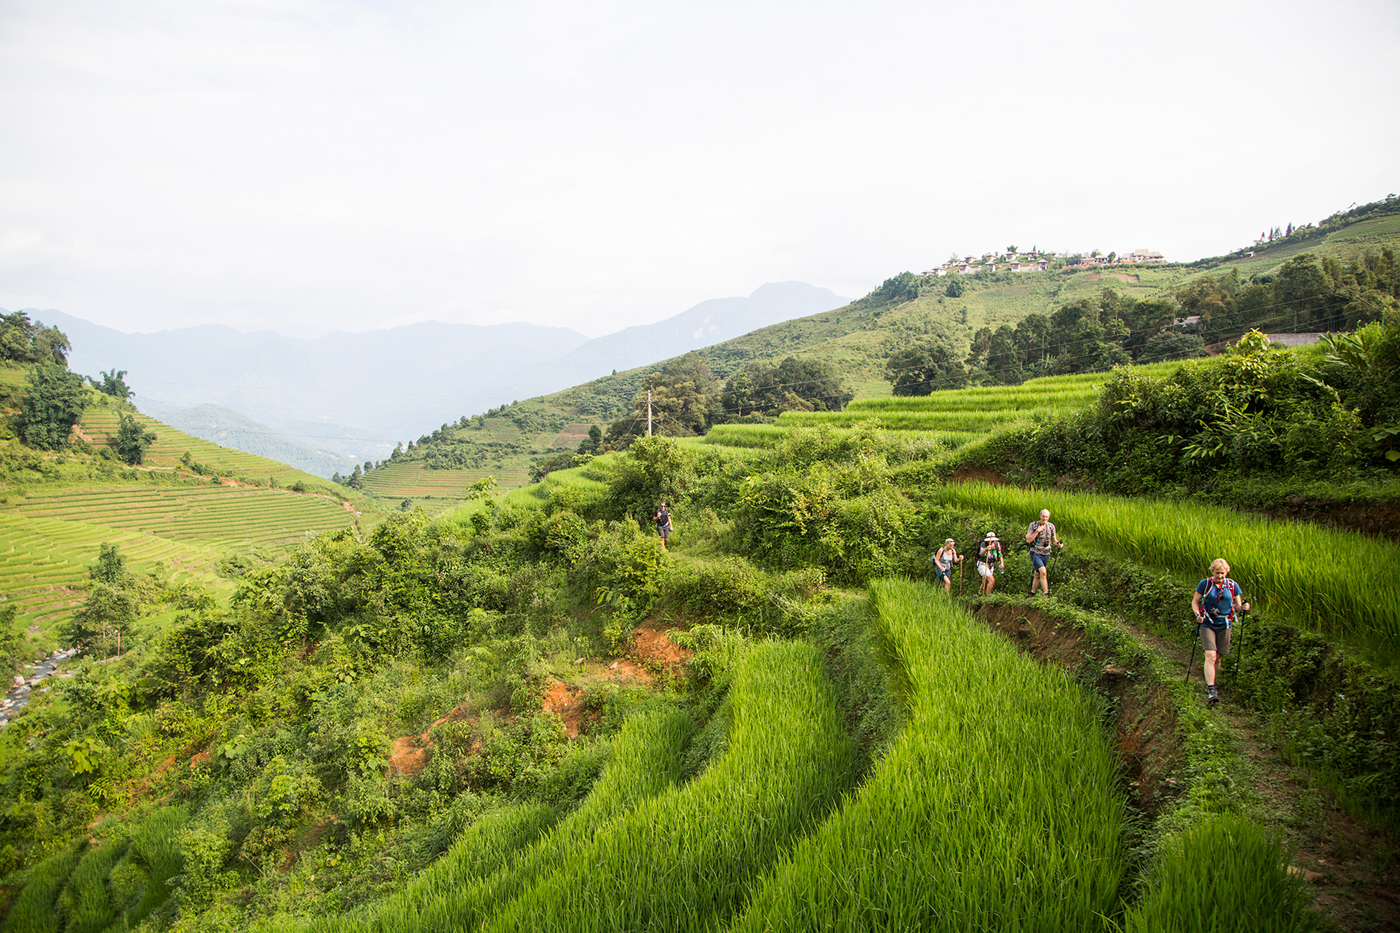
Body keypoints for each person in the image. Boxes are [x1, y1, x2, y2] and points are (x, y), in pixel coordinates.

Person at [1191, 558, 1250, 704]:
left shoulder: (1232, 586)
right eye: (1217, 573)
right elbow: (1195, 602)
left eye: (1222, 573)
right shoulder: (1205, 584)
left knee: (1218, 657)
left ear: (1227, 572)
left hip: (1224, 624)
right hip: (1207, 623)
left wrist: (1244, 608)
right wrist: (1198, 615)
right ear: (1212, 572)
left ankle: (1213, 683)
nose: (1220, 576)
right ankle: (1211, 689)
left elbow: (1236, 606)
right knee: (1210, 655)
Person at [1024, 508, 1064, 596]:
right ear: (1040, 516)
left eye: (1046, 517)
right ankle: (1046, 594)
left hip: (1046, 553)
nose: (1045, 519)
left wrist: (1058, 544)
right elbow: (1028, 540)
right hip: (1035, 552)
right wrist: (1037, 531)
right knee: (1043, 572)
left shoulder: (1051, 526)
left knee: (1038, 574)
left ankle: (1032, 593)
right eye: (1043, 516)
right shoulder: (1033, 525)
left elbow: (1054, 540)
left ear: (1049, 517)